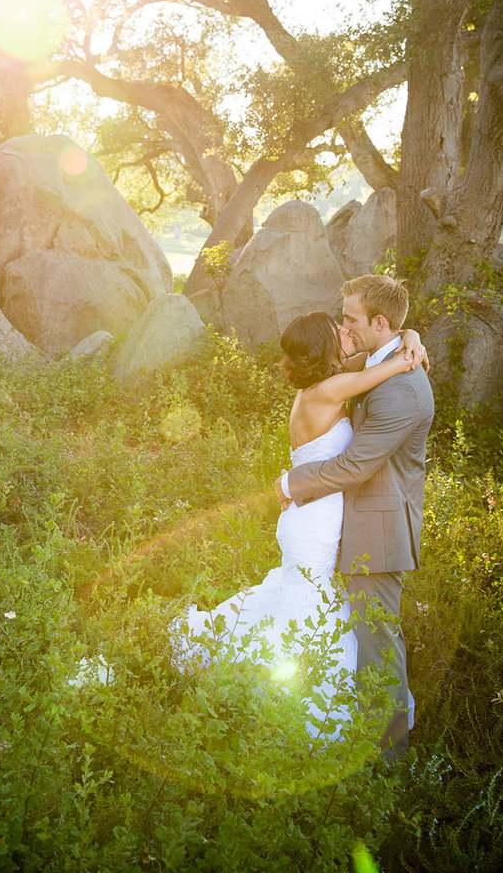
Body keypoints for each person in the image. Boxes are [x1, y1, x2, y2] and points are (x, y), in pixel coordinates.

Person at [173, 306, 426, 741]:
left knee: (305, 595)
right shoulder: (330, 389)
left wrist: (412, 332)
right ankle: (294, 709)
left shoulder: (321, 386)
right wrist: (411, 349)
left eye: (347, 324)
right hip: (314, 516)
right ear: (326, 348)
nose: (346, 331)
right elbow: (395, 365)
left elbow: (381, 353)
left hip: (311, 509)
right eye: (338, 330)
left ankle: (277, 690)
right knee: (308, 600)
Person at [276, 274, 435, 762]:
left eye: (350, 320)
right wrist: (410, 338)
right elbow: (368, 360)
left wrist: (289, 484)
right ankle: (320, 727)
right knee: (349, 632)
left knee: (377, 642)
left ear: (379, 322)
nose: (345, 329)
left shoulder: (403, 388)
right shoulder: (378, 361)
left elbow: (355, 464)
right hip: (341, 526)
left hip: (377, 532)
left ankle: (388, 760)